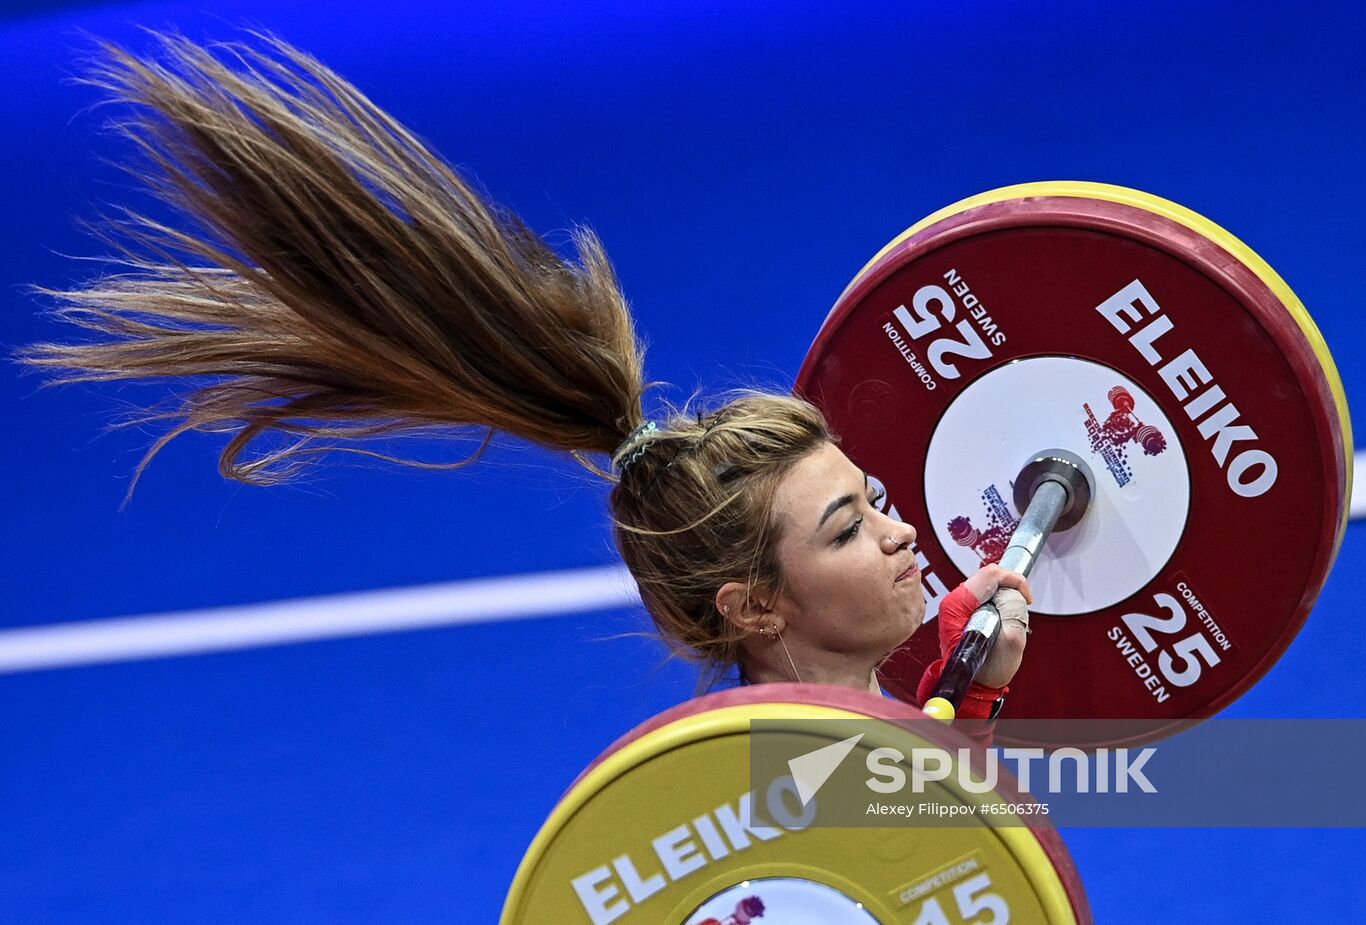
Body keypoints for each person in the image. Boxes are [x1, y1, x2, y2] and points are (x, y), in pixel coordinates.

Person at [19, 32, 1032, 719]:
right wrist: (962, 725)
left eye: (873, 501)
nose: (903, 531)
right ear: (752, 608)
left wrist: (962, 705)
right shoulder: (763, 801)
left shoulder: (841, 760)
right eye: (848, 528)